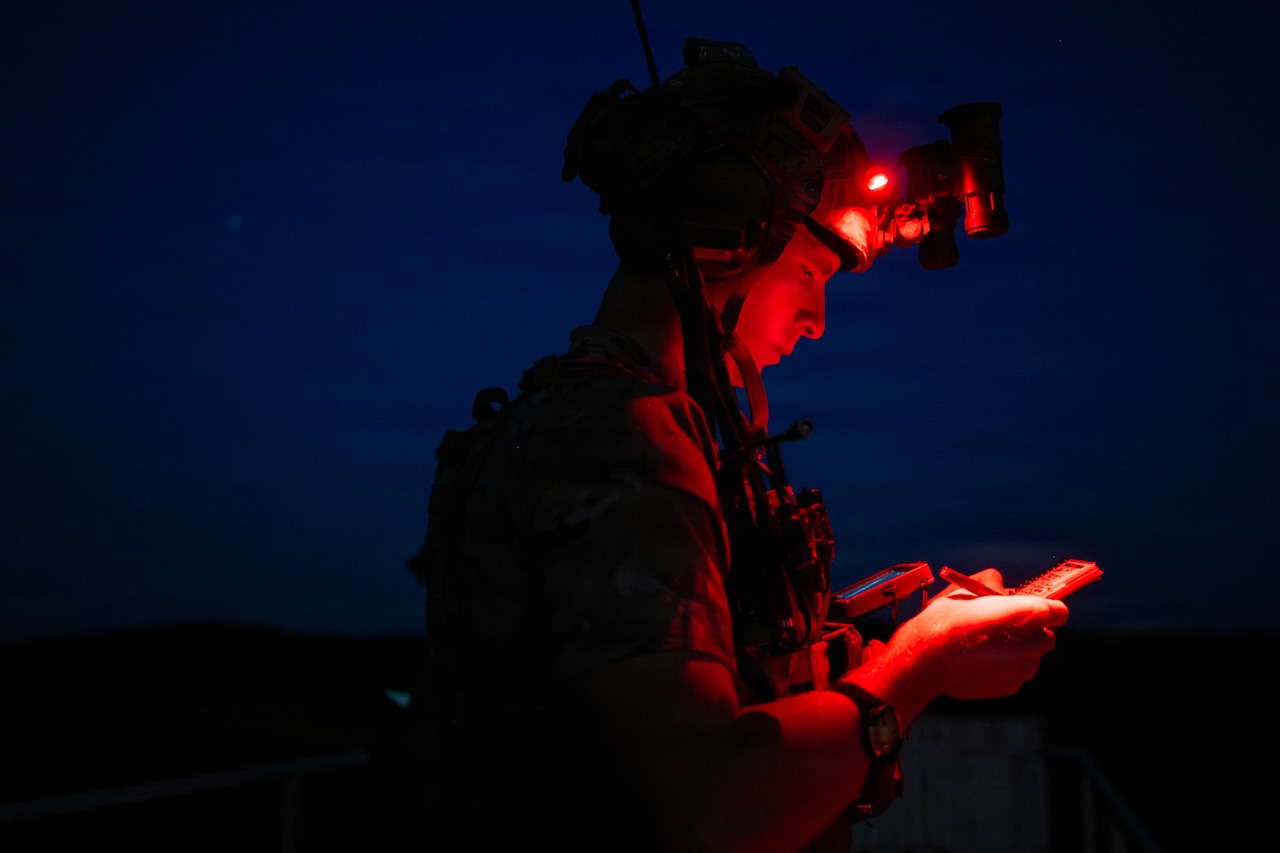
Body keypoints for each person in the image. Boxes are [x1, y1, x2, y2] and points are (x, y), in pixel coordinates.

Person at [408, 38, 1067, 853]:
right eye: (811, 275)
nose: (817, 319)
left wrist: (901, 641)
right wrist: (917, 671)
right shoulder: (625, 436)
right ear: (729, 241)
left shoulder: (606, 420)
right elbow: (706, 807)